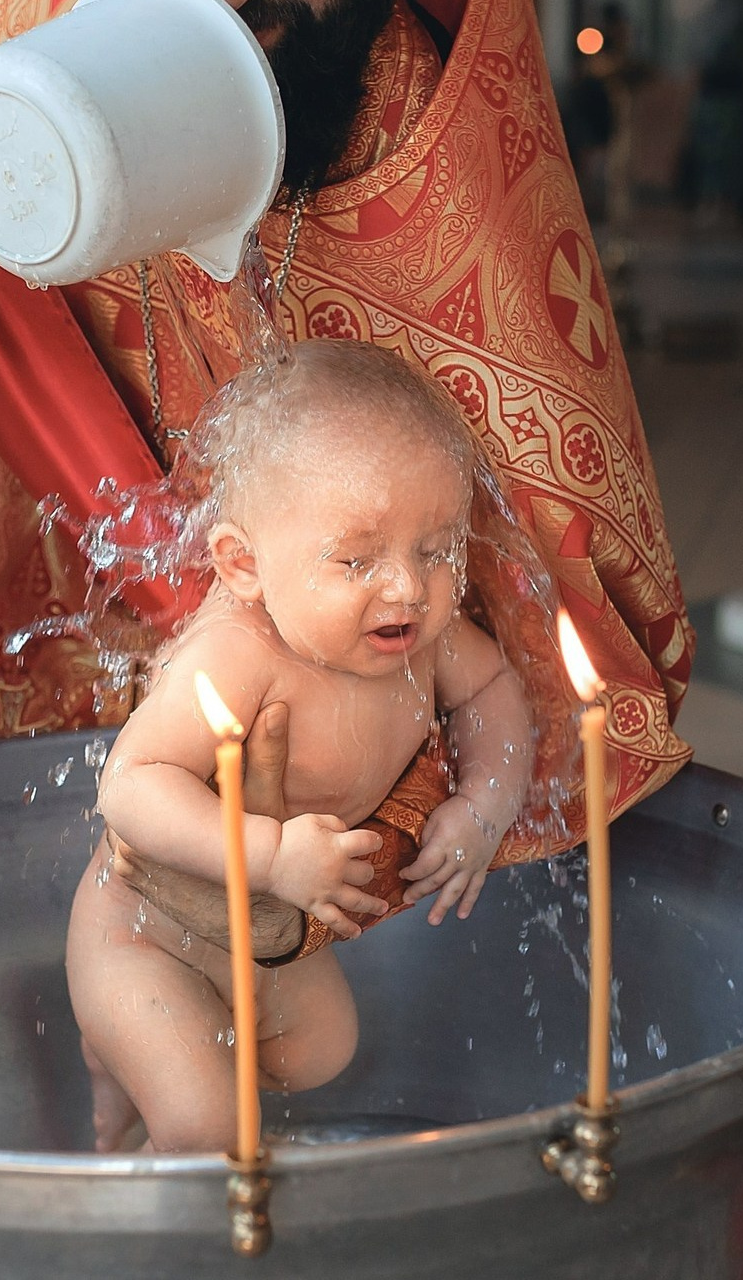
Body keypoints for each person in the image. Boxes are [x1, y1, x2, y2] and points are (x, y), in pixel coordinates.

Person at [0, 0, 694, 961]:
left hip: (351, 754)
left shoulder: (410, 113)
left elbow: (536, 578)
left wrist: (430, 804)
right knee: (43, 994)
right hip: (6, 621)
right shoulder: (9, 35)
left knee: (315, 1048)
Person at [67, 339, 534, 1151]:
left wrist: (482, 806)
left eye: (436, 549)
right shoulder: (236, 653)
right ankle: (133, 1138)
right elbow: (131, 785)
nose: (407, 588)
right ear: (244, 566)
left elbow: (495, 695)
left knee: (322, 1053)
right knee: (209, 1128)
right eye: (356, 560)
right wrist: (271, 853)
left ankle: (163, 1071)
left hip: (265, 927)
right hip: (145, 930)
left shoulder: (425, 635)